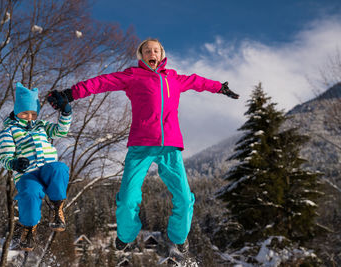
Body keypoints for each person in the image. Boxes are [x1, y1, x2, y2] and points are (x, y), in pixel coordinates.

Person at [47, 38, 239, 254]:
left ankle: (179, 236)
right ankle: (126, 236)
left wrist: (220, 87)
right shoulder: (133, 76)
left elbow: (197, 81)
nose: (152, 53)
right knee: (128, 198)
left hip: (170, 147)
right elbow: (102, 82)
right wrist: (71, 94)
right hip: (141, 145)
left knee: (185, 199)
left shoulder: (174, 78)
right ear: (142, 56)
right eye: (147, 50)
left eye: (156, 50)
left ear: (161, 55)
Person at [0, 82, 72, 251]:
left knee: (59, 168)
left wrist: (66, 112)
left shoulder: (42, 126)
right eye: (25, 113)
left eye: (33, 113)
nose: (30, 117)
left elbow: (61, 131)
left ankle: (57, 209)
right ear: (17, 111)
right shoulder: (9, 130)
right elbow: (5, 156)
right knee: (30, 193)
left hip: (47, 169)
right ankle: (29, 228)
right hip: (28, 174)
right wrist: (14, 163)